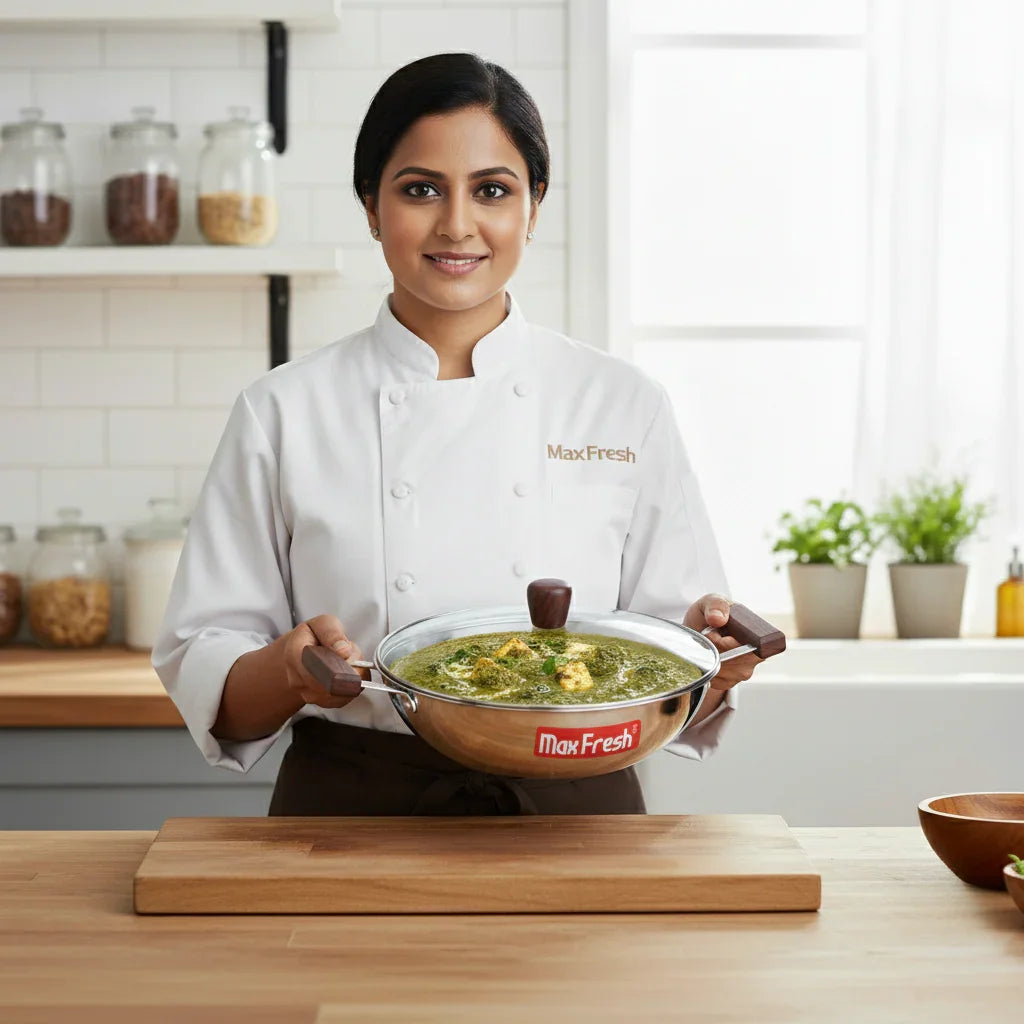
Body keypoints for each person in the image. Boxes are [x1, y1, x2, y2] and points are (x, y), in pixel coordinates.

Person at [152, 52, 764, 817]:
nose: (457, 225)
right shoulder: (282, 412)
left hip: (577, 812)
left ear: (533, 208)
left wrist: (715, 662)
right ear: (371, 207)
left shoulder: (622, 404)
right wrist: (287, 671)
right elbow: (212, 673)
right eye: (420, 189)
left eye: (493, 191)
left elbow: (677, 670)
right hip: (351, 811)